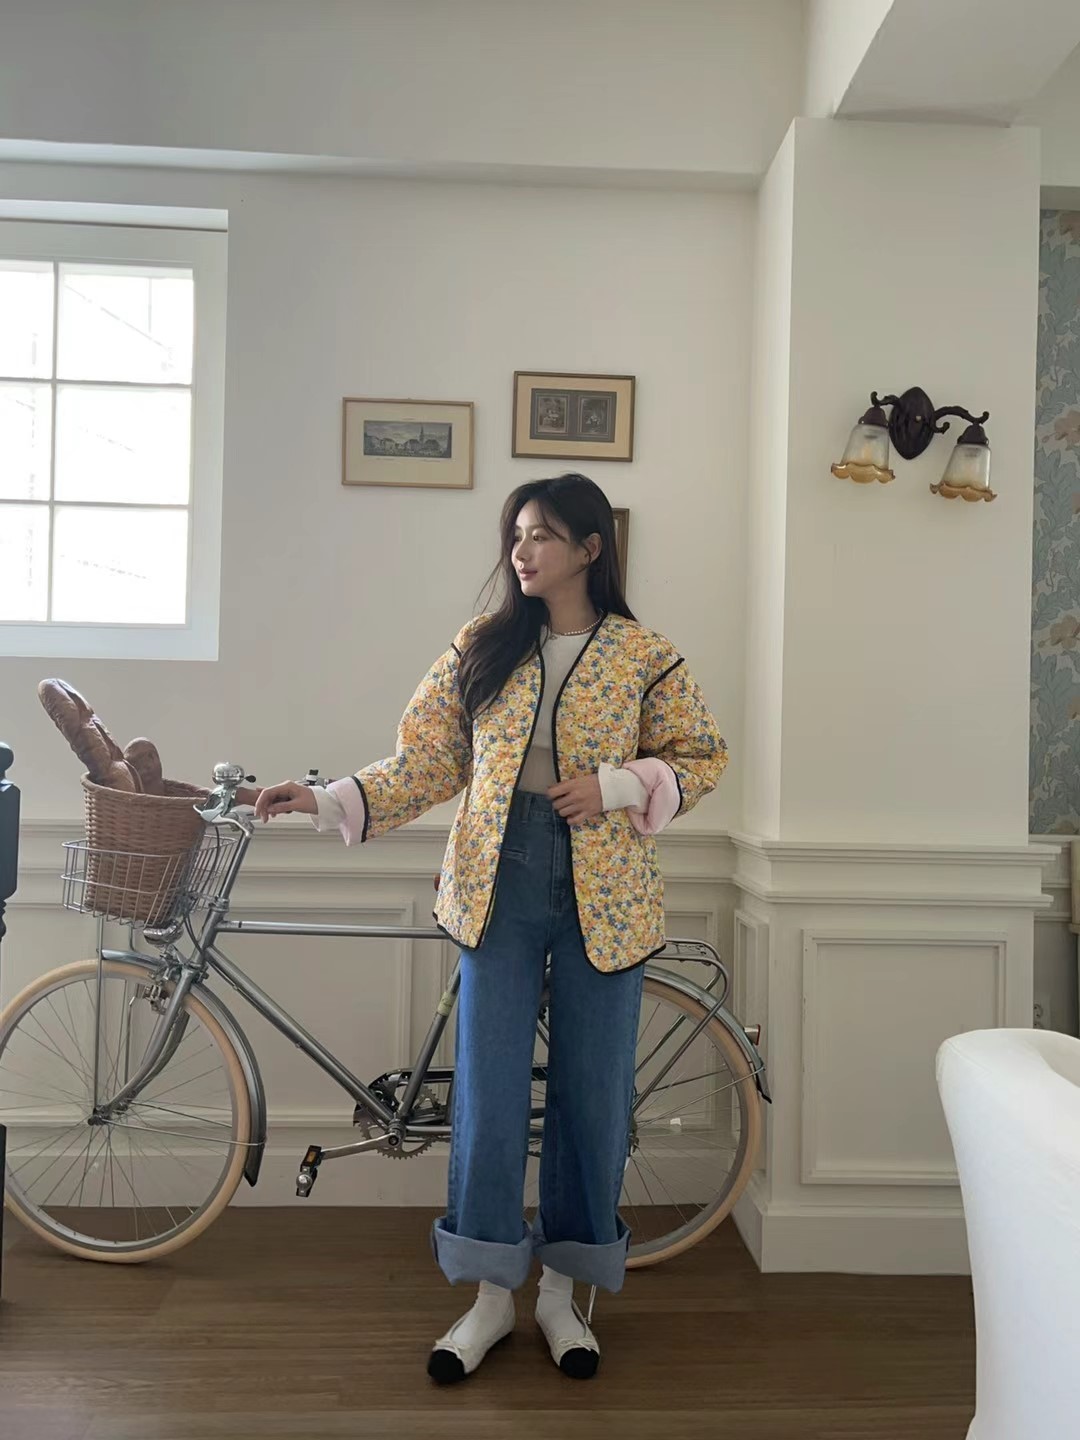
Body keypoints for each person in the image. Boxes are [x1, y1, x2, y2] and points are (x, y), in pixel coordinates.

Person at [253, 472, 728, 1384]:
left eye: (542, 534)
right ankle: (488, 1296)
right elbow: (427, 761)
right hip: (493, 881)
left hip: (607, 891)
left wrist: (619, 786)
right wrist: (322, 799)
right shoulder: (482, 645)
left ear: (589, 548)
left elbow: (700, 755)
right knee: (488, 1094)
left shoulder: (645, 655)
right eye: (516, 534)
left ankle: (563, 1296)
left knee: (593, 1098)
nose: (522, 550)